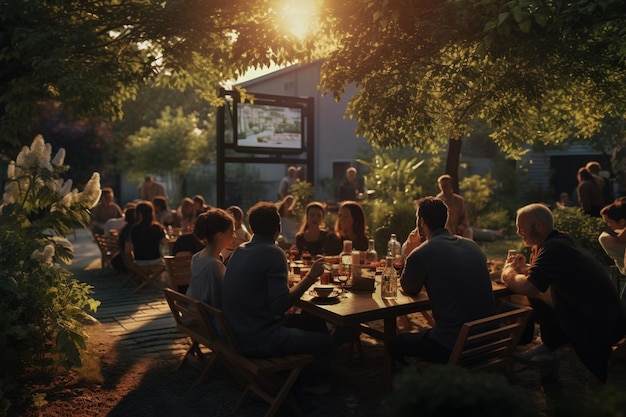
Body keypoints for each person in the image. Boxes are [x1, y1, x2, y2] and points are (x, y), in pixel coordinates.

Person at [501, 203, 626, 385]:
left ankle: (551, 345)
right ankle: (550, 344)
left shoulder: (554, 247)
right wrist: (525, 268)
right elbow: (548, 273)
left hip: (597, 321)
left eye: (520, 227)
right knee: (539, 294)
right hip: (605, 313)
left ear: (539, 226)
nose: (519, 232)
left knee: (528, 295)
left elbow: (529, 287)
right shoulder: (559, 241)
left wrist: (508, 273)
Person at [221, 202, 335, 390]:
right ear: (278, 229)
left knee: (314, 321)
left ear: (251, 228)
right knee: (328, 343)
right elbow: (280, 305)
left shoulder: (239, 251)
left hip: (237, 333)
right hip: (260, 340)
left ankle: (305, 371)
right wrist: (311, 276)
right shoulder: (274, 253)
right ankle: (306, 386)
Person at [389, 197, 497, 364]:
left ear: (421, 221)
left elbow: (409, 288)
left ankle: (418, 384)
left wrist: (409, 252)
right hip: (488, 339)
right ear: (445, 219)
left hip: (452, 345)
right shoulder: (473, 246)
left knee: (393, 344)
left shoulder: (421, 253)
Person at [185, 209, 235, 307]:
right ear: (220, 235)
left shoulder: (197, 257)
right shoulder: (213, 265)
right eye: (232, 232)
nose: (234, 236)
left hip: (196, 313)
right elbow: (223, 298)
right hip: (210, 318)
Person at [127, 201, 168, 266]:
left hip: (139, 262)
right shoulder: (157, 227)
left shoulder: (134, 229)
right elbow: (165, 242)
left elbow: (128, 249)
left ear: (139, 214)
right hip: (156, 261)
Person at [435, 174, 473, 239]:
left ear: (450, 185)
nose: (444, 188)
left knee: (468, 231)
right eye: (442, 186)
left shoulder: (459, 200)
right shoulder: (437, 200)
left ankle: (467, 248)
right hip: (443, 232)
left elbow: (464, 217)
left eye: (446, 185)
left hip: (458, 231)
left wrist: (461, 226)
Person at [599, 200, 626, 277]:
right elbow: (620, 239)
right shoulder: (605, 238)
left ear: (622, 222)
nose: (608, 226)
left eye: (609, 222)